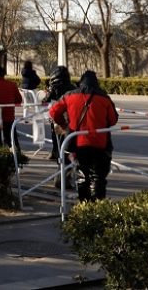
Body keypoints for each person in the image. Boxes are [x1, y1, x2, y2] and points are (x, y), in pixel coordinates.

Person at [49, 70, 118, 202]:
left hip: (77, 142)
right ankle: (98, 205)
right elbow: (113, 120)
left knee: (82, 175)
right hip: (100, 142)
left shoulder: (69, 96)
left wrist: (64, 124)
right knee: (98, 177)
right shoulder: (104, 98)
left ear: (80, 82)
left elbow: (53, 112)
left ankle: (84, 205)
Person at [45, 66, 75, 161]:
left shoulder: (54, 86)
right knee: (68, 135)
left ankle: (56, 153)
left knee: (56, 134)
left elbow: (47, 99)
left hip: (58, 113)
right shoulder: (72, 86)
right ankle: (65, 153)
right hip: (70, 115)